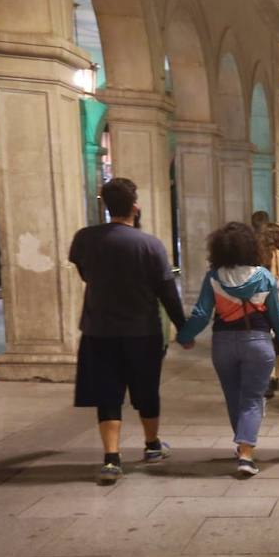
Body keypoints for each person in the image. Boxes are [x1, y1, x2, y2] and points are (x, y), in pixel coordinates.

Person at [70, 178, 186, 485]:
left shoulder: (84, 238)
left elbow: (85, 274)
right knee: (146, 390)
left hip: (99, 330)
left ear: (105, 206)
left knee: (106, 393)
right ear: (135, 206)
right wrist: (183, 328)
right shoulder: (149, 244)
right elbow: (166, 292)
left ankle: (111, 458)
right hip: (141, 331)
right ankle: (151, 446)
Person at [178, 222, 279, 478]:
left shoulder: (214, 277)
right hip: (258, 342)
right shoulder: (263, 276)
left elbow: (200, 314)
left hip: (223, 344)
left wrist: (185, 336)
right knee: (252, 399)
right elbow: (276, 314)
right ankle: (245, 454)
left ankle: (242, 444)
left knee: (234, 397)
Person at [257, 222, 279, 398]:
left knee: (267, 338)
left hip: (262, 301)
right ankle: (277, 374)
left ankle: (268, 376)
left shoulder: (258, 255)